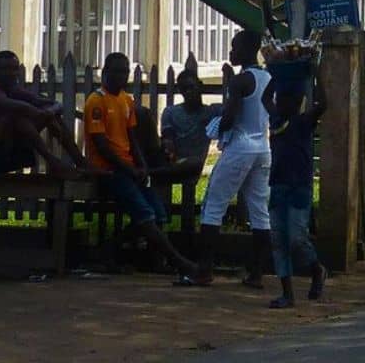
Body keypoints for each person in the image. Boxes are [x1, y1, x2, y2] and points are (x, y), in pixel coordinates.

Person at [83, 51, 200, 279]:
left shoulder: (126, 100)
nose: (121, 76)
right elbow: (102, 145)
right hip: (109, 171)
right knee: (145, 214)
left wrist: (142, 166)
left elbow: (132, 137)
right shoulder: (96, 101)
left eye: (124, 71)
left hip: (129, 169)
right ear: (105, 72)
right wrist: (129, 169)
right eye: (116, 71)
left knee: (158, 215)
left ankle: (108, 249)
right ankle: (179, 262)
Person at [192, 29, 273, 288]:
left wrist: (216, 124)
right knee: (260, 213)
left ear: (248, 50)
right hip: (262, 147)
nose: (231, 52)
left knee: (213, 205)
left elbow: (229, 117)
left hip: (240, 146)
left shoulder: (241, 82)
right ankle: (257, 273)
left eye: (234, 47)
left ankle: (204, 269)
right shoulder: (267, 77)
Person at [0, 50, 87, 175]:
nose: (12, 74)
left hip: (5, 151)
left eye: (14, 69)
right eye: (6, 69)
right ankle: (53, 162)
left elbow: (53, 104)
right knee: (16, 118)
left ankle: (80, 161)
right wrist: (48, 111)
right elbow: (30, 110)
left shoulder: (15, 91)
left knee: (51, 118)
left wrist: (50, 112)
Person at [264, 76, 328, 308]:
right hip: (279, 184)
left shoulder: (303, 122)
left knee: (296, 239)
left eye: (287, 99)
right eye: (280, 98)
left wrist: (315, 72)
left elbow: (323, 104)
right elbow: (265, 98)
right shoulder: (276, 120)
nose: (281, 103)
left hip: (299, 185)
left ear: (298, 101)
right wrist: (275, 73)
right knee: (279, 239)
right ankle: (287, 293)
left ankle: (316, 269)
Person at [158, 68, 218, 178]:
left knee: (193, 164)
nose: (188, 92)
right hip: (173, 159)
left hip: (194, 164)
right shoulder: (171, 112)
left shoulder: (210, 112)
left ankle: (153, 172)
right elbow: (167, 137)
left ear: (200, 87)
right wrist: (169, 151)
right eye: (184, 89)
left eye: (192, 87)